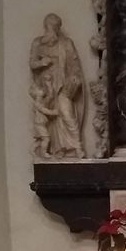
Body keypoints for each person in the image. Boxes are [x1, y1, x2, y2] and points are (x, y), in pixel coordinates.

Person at [30, 13, 86, 159]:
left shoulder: (66, 43)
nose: (52, 30)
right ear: (46, 27)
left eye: (55, 27)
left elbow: (74, 66)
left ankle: (77, 147)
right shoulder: (37, 43)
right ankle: (58, 149)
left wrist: (74, 79)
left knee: (66, 114)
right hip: (46, 87)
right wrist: (42, 63)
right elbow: (32, 63)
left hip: (63, 86)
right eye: (50, 27)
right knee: (51, 121)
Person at [30, 75, 59, 158]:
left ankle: (32, 150)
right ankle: (44, 154)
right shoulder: (37, 103)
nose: (42, 90)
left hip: (41, 124)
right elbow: (44, 110)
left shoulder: (41, 100)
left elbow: (50, 96)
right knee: (46, 139)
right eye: (40, 89)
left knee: (41, 140)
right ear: (35, 93)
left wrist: (48, 84)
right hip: (39, 124)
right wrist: (54, 112)